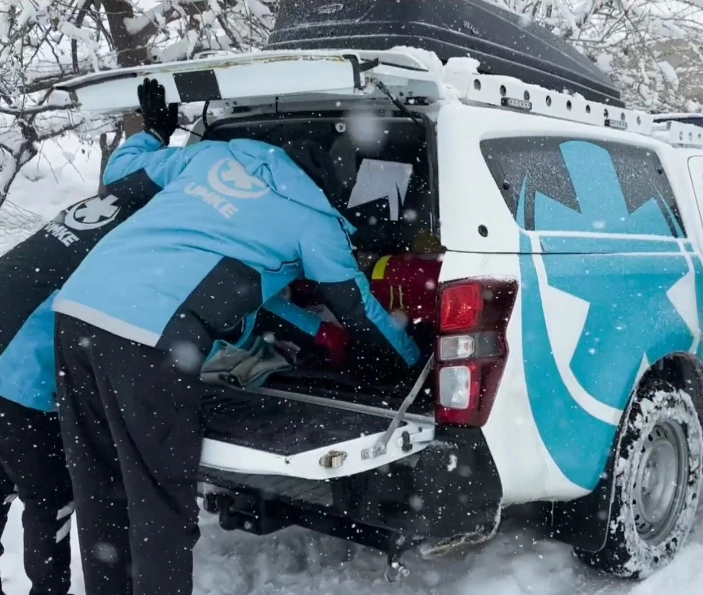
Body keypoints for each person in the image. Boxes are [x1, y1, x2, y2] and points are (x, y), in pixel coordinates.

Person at [51, 78, 420, 595]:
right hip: (148, 337)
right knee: (160, 500)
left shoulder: (213, 157)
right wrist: (410, 359)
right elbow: (358, 310)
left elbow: (120, 175)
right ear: (333, 189)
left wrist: (154, 131)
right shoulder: (313, 221)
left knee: (100, 484)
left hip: (77, 310)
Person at [0, 168, 168, 595]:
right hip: (27, 390)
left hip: (8, 366)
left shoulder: (92, 217)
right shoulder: (139, 245)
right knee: (49, 502)